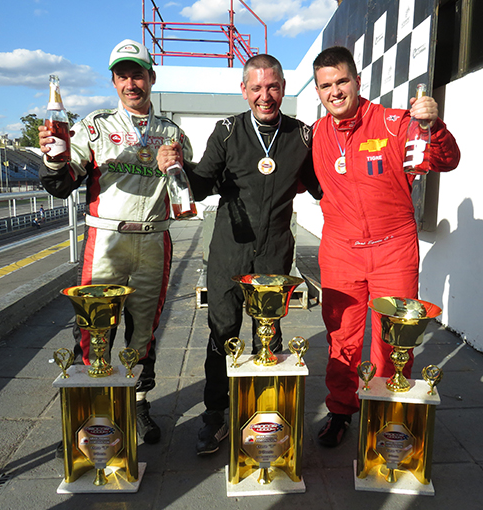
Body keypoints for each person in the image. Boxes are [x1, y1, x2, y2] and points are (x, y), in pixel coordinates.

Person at [158, 54, 321, 455]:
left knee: (270, 334)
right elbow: (201, 183)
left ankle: (266, 414)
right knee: (222, 331)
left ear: (282, 87)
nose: (265, 96)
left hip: (275, 252)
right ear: (244, 90)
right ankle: (216, 413)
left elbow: (323, 185)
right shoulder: (228, 132)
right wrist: (177, 167)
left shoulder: (302, 135)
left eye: (273, 87)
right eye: (257, 88)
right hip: (230, 249)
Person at [38, 38, 194, 445]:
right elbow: (60, 184)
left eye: (137, 74)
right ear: (113, 81)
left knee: (143, 331)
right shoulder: (95, 126)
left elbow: (188, 193)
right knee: (93, 328)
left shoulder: (172, 133)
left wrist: (180, 172)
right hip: (105, 238)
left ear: (151, 78)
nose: (131, 83)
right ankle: (92, 412)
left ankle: (139, 403)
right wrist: (53, 156)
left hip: (153, 240)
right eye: (123, 75)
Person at [311, 46, 461, 446]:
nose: (335, 91)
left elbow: (446, 161)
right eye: (326, 85)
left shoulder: (396, 123)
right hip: (341, 250)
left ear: (358, 81)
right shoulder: (316, 133)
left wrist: (433, 126)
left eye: (342, 81)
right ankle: (341, 410)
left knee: (393, 340)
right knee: (341, 338)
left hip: (393, 248)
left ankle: (384, 414)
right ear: (318, 91)